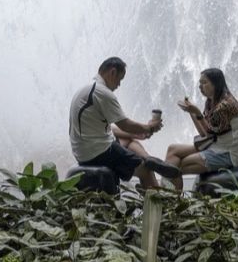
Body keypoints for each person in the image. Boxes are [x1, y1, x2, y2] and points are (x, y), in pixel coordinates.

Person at [69, 57, 181, 189]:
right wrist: (149, 127)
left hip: (84, 150)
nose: (119, 85)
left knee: (129, 141)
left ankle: (148, 158)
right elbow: (125, 124)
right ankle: (156, 202)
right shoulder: (102, 93)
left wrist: (137, 134)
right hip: (96, 153)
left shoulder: (86, 90)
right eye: (120, 79)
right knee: (145, 169)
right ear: (112, 72)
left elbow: (110, 128)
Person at [165, 69, 238, 191]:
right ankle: (167, 192)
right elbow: (204, 133)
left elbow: (208, 132)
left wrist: (197, 112)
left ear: (216, 83)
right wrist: (191, 113)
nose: (200, 87)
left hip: (227, 154)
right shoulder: (211, 101)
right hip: (214, 145)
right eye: (199, 83)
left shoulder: (226, 105)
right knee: (172, 150)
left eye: (204, 82)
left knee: (178, 165)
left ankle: (171, 197)